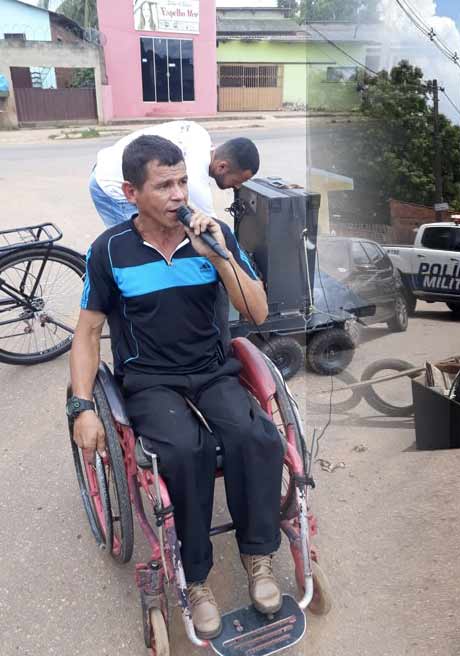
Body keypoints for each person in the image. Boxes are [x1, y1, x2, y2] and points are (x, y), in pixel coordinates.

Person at [69, 136, 279, 639]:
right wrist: (82, 407)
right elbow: (88, 332)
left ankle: (258, 557)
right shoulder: (110, 251)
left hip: (211, 369)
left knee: (257, 438)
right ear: (130, 192)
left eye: (183, 181)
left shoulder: (213, 235)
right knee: (187, 450)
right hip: (150, 381)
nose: (179, 195)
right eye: (164, 185)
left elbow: (257, 313)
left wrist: (222, 256)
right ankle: (198, 577)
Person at [89, 120, 260, 227]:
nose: (238, 186)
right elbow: (210, 225)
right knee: (136, 251)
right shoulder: (195, 174)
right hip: (111, 184)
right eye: (239, 180)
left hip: (115, 165)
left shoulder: (200, 135)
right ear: (222, 167)